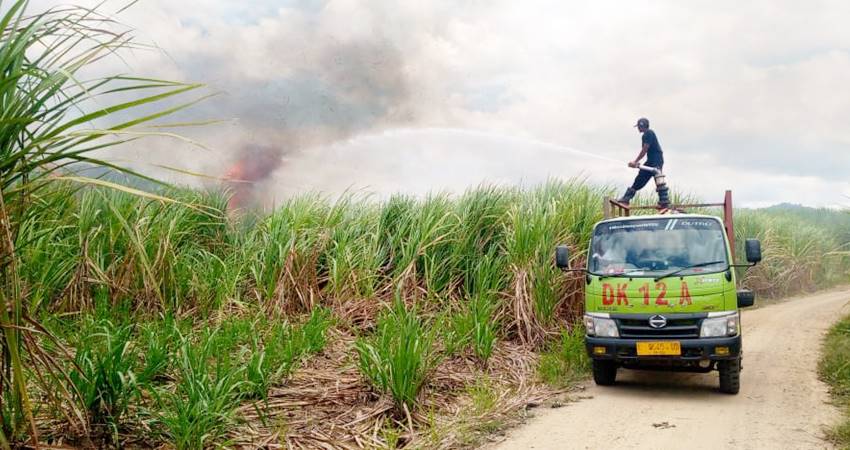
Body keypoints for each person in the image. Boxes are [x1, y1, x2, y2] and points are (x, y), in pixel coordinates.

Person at [617, 117, 670, 208]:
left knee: (658, 179)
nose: (638, 128)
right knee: (641, 177)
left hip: (656, 160)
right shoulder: (646, 134)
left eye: (638, 126)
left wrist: (635, 162)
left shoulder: (648, 133)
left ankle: (664, 202)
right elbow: (645, 151)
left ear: (642, 126)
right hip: (651, 160)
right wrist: (637, 163)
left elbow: (645, 149)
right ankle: (626, 199)